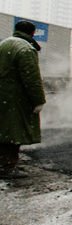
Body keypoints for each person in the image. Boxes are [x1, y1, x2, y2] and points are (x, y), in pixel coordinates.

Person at [0, 20, 47, 179]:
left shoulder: (4, 44)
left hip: (3, 96)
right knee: (14, 131)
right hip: (15, 98)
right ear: (33, 33)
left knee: (3, 129)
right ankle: (7, 167)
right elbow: (32, 79)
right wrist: (39, 100)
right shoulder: (26, 49)